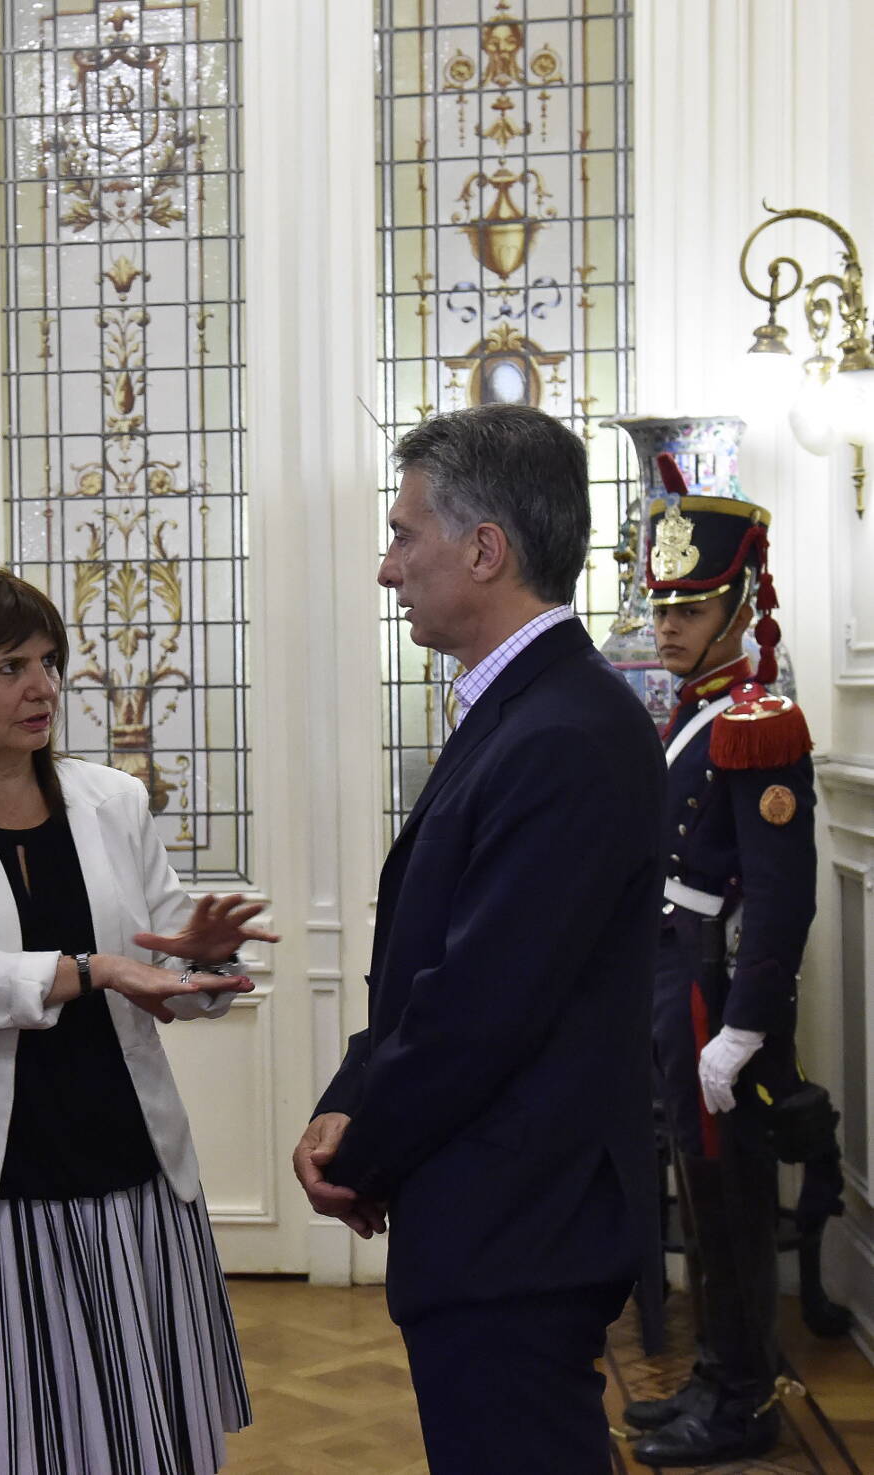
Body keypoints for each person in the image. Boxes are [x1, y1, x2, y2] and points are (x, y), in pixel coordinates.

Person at [291, 404, 665, 1474]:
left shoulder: (564, 731)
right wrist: (349, 1097)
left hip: (520, 1220)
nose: (385, 566)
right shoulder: (524, 712)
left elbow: (480, 1002)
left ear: (483, 549)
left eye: (404, 534)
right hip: (499, 1207)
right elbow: (433, 960)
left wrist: (360, 1146)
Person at [0, 563, 272, 1475]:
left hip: (125, 1164)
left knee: (132, 1435)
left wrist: (202, 962)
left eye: (49, 660)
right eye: (10, 666)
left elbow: (166, 975)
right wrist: (89, 970)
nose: (42, 686)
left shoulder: (111, 800)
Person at [620, 458, 816, 1466]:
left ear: (740, 602)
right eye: (659, 608)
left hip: (709, 985)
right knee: (698, 1190)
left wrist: (740, 1027)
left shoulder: (757, 720)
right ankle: (712, 1371)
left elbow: (780, 893)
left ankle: (742, 1397)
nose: (666, 626)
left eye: (689, 607)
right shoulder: (693, 711)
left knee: (730, 1194)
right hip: (670, 974)